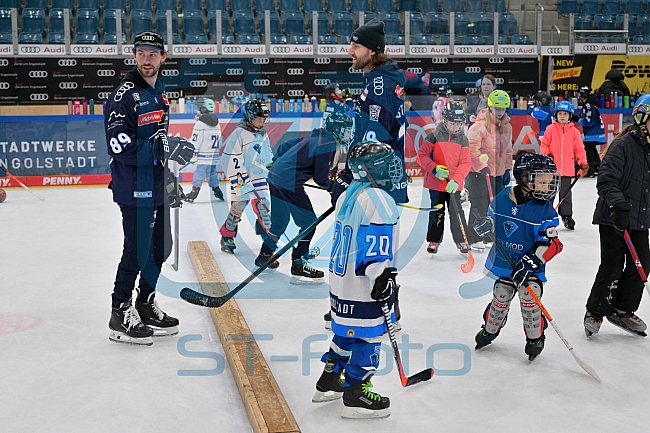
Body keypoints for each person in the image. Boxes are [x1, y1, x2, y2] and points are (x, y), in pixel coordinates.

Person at [104, 30, 195, 346]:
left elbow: (159, 138)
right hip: (132, 188)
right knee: (136, 251)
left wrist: (168, 165)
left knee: (161, 249)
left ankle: (144, 302)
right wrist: (161, 150)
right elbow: (119, 145)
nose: (146, 59)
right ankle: (119, 313)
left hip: (156, 184)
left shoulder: (160, 90)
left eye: (152, 54)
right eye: (141, 53)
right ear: (134, 55)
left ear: (163, 58)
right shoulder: (124, 95)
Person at [312, 141, 398, 419]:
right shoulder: (380, 200)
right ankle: (355, 392)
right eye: (386, 161)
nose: (392, 166)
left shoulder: (350, 192)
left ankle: (329, 379)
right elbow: (373, 247)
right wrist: (381, 278)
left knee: (346, 332)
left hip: (340, 283)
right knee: (369, 336)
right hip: (363, 284)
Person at [473, 153, 563, 360]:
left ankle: (535, 336)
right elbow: (492, 220)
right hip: (505, 262)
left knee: (529, 295)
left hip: (529, 268)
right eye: (541, 180)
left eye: (549, 181)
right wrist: (486, 225)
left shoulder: (545, 210)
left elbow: (553, 244)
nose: (547, 186)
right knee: (501, 293)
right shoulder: (502, 198)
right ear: (524, 178)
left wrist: (532, 261)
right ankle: (491, 328)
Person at [256, 111, 354, 285]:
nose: (347, 133)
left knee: (280, 221)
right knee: (308, 223)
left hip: (275, 176)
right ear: (336, 129)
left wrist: (279, 163)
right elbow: (320, 178)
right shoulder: (328, 143)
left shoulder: (316, 137)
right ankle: (298, 263)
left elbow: (285, 146)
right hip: (289, 181)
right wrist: (333, 188)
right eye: (345, 130)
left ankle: (264, 255)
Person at [583, 95, 650, 338]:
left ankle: (623, 309)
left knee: (642, 266)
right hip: (614, 216)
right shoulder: (623, 146)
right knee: (612, 266)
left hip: (640, 218)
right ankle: (596, 310)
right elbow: (606, 179)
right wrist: (618, 204)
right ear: (642, 119)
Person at [345, 19, 408, 205]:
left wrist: (353, 177)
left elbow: (376, 144)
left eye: (356, 46)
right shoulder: (377, 81)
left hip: (377, 186)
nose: (350, 52)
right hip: (375, 182)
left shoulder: (380, 87)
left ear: (372, 51)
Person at [219, 98, 273, 254]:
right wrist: (241, 177)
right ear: (249, 117)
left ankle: (264, 231)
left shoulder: (263, 133)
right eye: (258, 119)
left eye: (264, 119)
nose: (262, 122)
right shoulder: (239, 133)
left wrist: (271, 167)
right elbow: (230, 157)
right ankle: (227, 235)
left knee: (263, 205)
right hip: (241, 176)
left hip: (258, 176)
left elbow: (267, 154)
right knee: (239, 205)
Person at [418, 101, 471, 254]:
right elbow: (421, 156)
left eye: (458, 124)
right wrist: (434, 169)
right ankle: (434, 240)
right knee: (437, 211)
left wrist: (456, 180)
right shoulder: (433, 136)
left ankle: (461, 240)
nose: (455, 127)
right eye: (452, 123)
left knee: (457, 212)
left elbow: (465, 163)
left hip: (453, 184)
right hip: (436, 183)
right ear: (444, 120)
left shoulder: (463, 139)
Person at [465, 89, 513, 251]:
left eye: (503, 108)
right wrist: (481, 166)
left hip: (497, 173)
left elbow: (508, 150)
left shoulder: (507, 127)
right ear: (490, 107)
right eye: (497, 108)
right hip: (478, 173)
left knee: (495, 205)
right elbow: (471, 150)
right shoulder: (479, 126)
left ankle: (488, 235)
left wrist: (507, 169)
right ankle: (473, 236)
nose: (500, 112)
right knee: (480, 203)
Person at [539, 100, 589, 230]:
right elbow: (544, 145)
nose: (562, 116)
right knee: (549, 193)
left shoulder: (574, 132)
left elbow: (579, 149)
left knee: (565, 195)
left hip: (567, 170)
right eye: (560, 113)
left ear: (570, 116)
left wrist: (582, 163)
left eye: (565, 114)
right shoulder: (550, 129)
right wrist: (547, 156)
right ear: (556, 114)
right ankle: (545, 216)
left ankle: (567, 216)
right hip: (551, 171)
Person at [184, 98, 225, 203]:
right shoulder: (217, 123)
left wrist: (190, 149)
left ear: (203, 109)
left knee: (199, 173)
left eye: (198, 109)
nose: (197, 111)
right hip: (213, 155)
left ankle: (195, 190)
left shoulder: (200, 124)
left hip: (204, 155)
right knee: (211, 173)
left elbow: (196, 140)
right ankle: (216, 188)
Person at [577, 86, 606, 177]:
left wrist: (580, 121)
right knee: (591, 148)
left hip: (594, 134)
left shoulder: (589, 106)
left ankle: (592, 169)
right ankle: (598, 167)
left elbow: (590, 122)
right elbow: (582, 116)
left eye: (579, 94)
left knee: (588, 148)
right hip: (596, 134)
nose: (578, 96)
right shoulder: (589, 105)